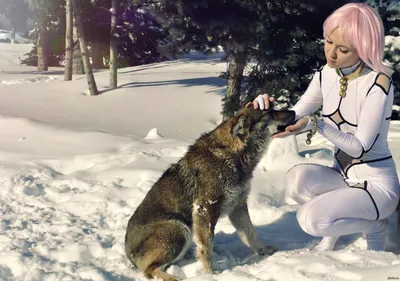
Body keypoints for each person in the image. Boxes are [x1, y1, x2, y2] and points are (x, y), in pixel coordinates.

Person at [248, 3, 399, 252]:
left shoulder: (378, 83)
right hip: (342, 176)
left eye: (343, 49)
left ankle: (373, 227)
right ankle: (333, 230)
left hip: (376, 187)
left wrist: (317, 124)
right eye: (328, 42)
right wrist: (265, 111)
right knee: (296, 181)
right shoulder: (326, 74)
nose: (332, 54)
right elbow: (296, 114)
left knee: (308, 218)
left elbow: (360, 148)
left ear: (364, 48)